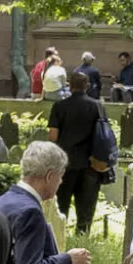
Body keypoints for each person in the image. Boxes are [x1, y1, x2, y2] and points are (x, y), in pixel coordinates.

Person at [48, 72, 104, 233]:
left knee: (61, 208)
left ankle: (59, 240)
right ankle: (83, 243)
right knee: (85, 214)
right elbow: (104, 135)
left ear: (69, 85)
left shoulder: (60, 106)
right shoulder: (97, 106)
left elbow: (53, 136)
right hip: (90, 164)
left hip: (64, 165)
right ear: (87, 86)